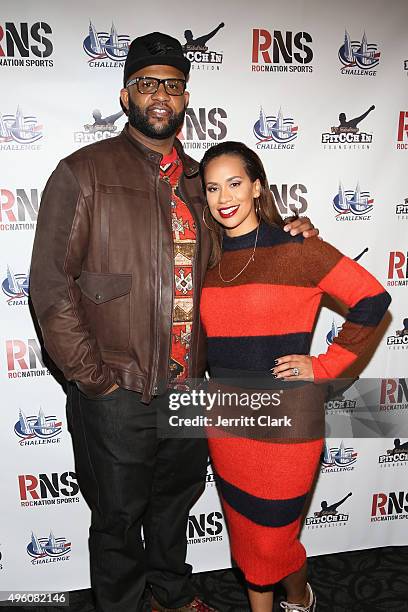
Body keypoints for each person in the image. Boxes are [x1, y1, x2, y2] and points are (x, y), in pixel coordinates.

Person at [29, 33, 317, 612]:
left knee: (173, 504)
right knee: (117, 517)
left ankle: (171, 591)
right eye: (149, 83)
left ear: (186, 97)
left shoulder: (199, 179)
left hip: (191, 389)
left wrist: (289, 235)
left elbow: (243, 248)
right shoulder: (82, 172)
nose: (162, 95)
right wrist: (96, 380)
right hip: (117, 389)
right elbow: (51, 287)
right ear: (126, 94)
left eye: (174, 84)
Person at [198, 141, 391, 612]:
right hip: (228, 423)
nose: (224, 196)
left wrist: (324, 367)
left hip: (287, 423)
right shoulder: (208, 262)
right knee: (247, 537)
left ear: (258, 186)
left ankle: (300, 593)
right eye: (212, 188)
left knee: (272, 539)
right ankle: (293, 596)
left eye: (236, 182)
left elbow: (373, 301)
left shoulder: (298, 249)